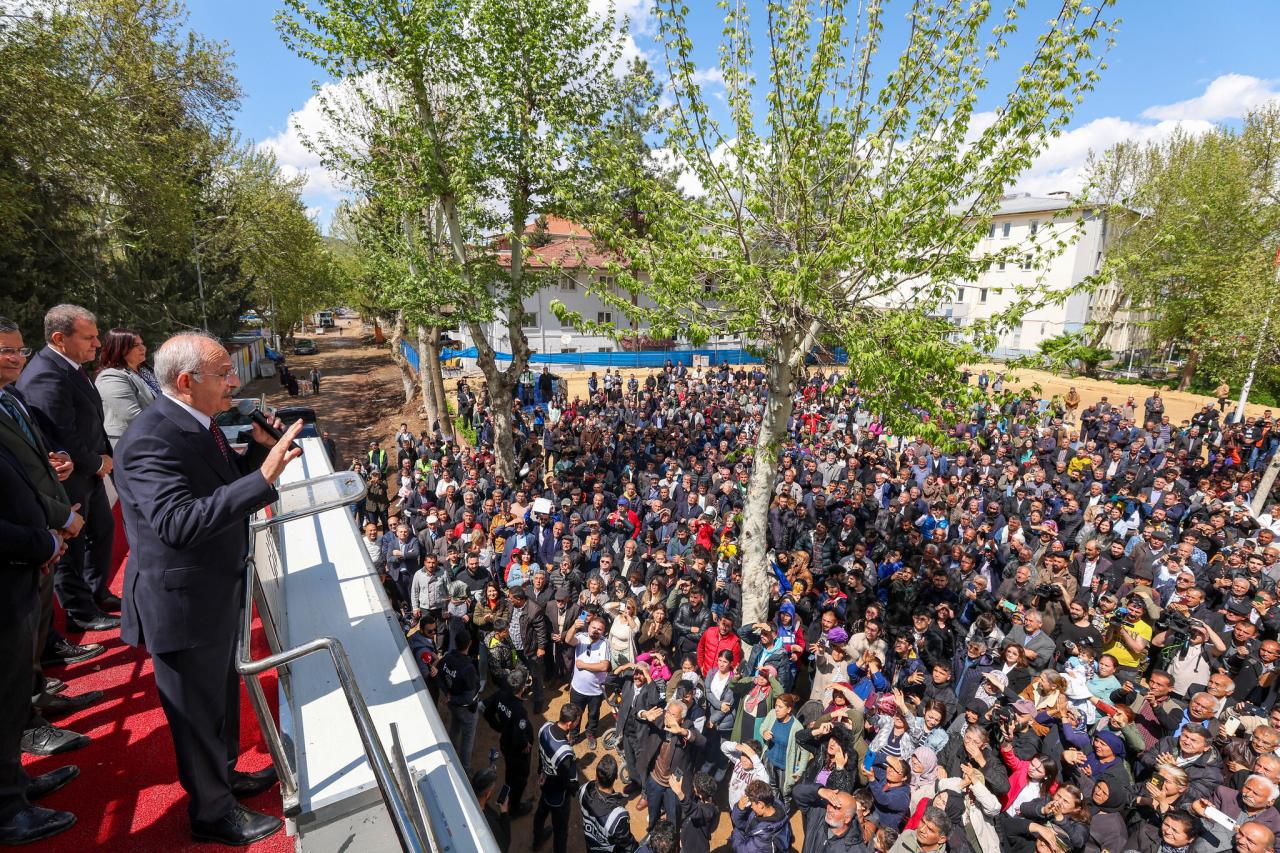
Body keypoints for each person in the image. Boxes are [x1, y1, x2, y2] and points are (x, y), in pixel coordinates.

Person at [115, 331, 303, 845]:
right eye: (224, 374)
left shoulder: (197, 422)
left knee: (218, 700)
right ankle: (211, 813)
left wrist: (253, 457)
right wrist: (261, 476)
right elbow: (177, 522)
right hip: (182, 606)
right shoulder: (152, 437)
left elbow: (213, 488)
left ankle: (224, 779)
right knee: (196, 716)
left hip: (212, 596)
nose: (236, 381)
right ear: (184, 381)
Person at [0, 316, 100, 757]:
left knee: (32, 633)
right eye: (6, 350)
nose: (16, 358)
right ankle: (25, 733)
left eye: (19, 349)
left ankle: (36, 700)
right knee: (12, 652)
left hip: (41, 528)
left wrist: (56, 461)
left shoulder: (12, 397)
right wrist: (51, 524)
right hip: (22, 539)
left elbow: (30, 458)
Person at [16, 304, 118, 630]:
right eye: (88, 337)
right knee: (73, 546)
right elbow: (62, 435)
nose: (98, 344)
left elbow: (88, 422)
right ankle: (80, 613)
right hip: (69, 477)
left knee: (101, 532)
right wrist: (97, 462)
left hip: (87, 472)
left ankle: (96, 593)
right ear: (60, 338)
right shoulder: (46, 374)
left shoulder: (70, 366)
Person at [0, 441, 79, 845]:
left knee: (12, 698)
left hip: (18, 576)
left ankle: (14, 785)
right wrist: (44, 543)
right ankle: (7, 812)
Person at [94, 327, 158, 447]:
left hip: (153, 438)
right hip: (131, 444)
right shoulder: (111, 376)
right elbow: (133, 415)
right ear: (119, 348)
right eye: (135, 345)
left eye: (142, 343)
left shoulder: (147, 371)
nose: (142, 348)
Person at [532, 703, 581, 853]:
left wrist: (542, 770)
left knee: (541, 813)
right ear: (569, 724)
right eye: (578, 720)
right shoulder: (564, 752)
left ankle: (537, 841)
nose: (579, 722)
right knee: (560, 830)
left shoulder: (544, 728)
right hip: (559, 796)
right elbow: (566, 781)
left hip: (545, 782)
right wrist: (574, 790)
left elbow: (541, 753)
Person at [441, 632, 481, 774]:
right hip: (464, 707)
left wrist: (447, 694)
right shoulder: (468, 668)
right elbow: (468, 698)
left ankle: (450, 755)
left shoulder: (447, 657)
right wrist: (451, 698)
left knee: (455, 726)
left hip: (453, 704)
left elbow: (439, 675)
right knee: (468, 738)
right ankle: (465, 768)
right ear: (469, 644)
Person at [578, 754, 635, 853]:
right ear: (616, 777)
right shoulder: (617, 816)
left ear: (596, 776)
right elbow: (626, 844)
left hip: (590, 845)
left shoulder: (583, 789)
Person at [729, 778, 793, 852]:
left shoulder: (764, 838)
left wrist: (736, 833)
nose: (751, 807)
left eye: (752, 803)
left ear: (760, 804)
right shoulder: (774, 807)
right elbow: (745, 825)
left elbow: (742, 850)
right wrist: (739, 810)